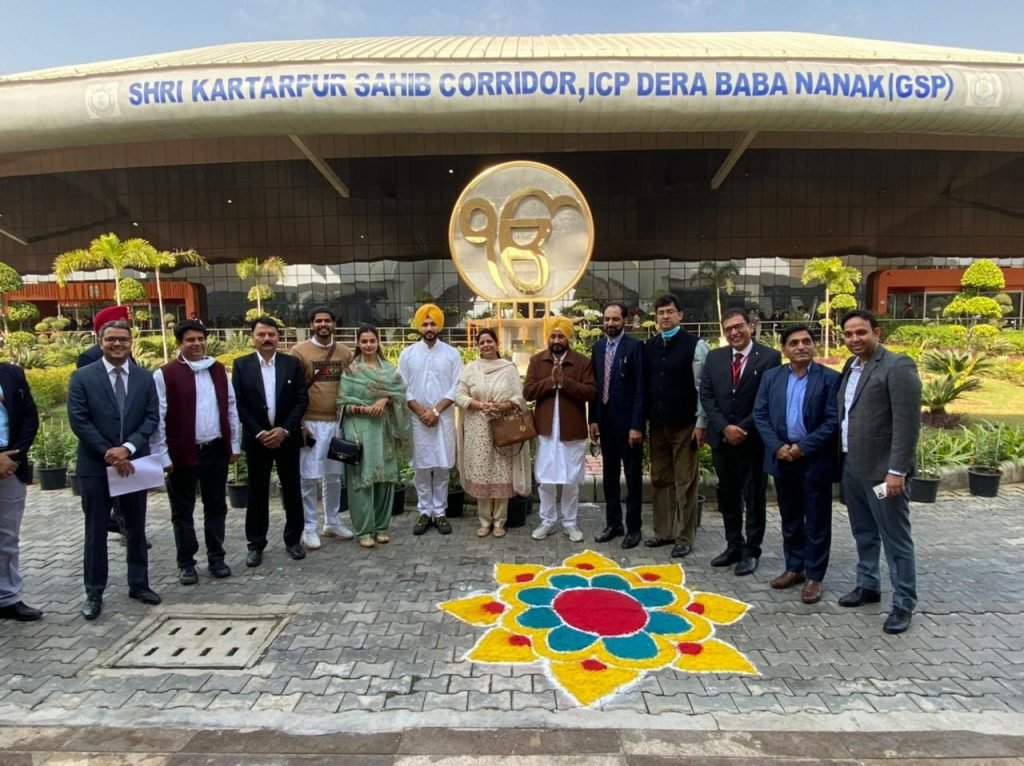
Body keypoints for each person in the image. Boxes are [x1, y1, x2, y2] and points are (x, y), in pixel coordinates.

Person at [67, 319, 160, 621]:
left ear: (131, 342)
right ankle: (94, 592)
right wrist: (109, 452)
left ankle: (139, 584)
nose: (118, 344)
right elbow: (79, 420)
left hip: (134, 463)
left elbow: (151, 418)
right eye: (111, 339)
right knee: (96, 531)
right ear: (100, 341)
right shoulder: (82, 377)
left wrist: (128, 449)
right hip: (96, 466)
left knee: (135, 527)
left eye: (123, 339)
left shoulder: (145, 377)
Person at [837, 309, 922, 635]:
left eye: (861, 332)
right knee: (864, 533)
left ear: (877, 332)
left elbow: (907, 423)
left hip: (883, 473)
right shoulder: (851, 366)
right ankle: (868, 584)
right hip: (853, 468)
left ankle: (903, 602)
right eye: (848, 334)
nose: (855, 339)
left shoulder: (897, 366)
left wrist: (897, 471)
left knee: (895, 538)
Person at [752, 324, 840, 604]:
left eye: (806, 341)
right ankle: (794, 568)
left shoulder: (829, 379)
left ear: (814, 346)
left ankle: (814, 576)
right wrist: (778, 447)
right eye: (794, 343)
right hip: (782, 458)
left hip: (813, 458)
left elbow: (832, 421)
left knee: (816, 520)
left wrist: (803, 447)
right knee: (790, 519)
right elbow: (760, 414)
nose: (801, 346)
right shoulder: (771, 377)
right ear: (784, 350)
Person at [151, 320, 240, 586]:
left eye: (200, 339)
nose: (197, 344)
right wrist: (162, 455)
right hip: (182, 452)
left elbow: (231, 407)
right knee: (182, 511)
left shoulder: (218, 371)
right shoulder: (165, 374)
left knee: (216, 506)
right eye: (190, 340)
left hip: (215, 449)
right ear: (180, 343)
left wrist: (233, 444)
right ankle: (186, 563)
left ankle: (216, 557)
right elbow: (158, 417)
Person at [700, 308, 781, 576]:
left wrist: (741, 428)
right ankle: (733, 545)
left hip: (752, 440)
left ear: (750, 325)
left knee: (753, 496)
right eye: (728, 329)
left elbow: (766, 399)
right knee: (729, 495)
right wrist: (724, 427)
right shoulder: (715, 358)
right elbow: (707, 395)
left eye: (738, 326)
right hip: (722, 439)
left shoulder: (769, 358)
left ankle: (751, 550)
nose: (734, 332)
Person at [231, 317, 309, 567]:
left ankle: (293, 540)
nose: (266, 339)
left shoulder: (291, 364)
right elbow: (238, 404)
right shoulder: (241, 366)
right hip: (258, 441)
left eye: (271, 335)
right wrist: (259, 432)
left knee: (293, 490)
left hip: (286, 439)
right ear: (252, 337)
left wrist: (284, 430)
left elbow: (301, 400)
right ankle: (255, 544)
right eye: (261, 334)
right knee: (257, 493)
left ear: (278, 337)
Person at [643, 293, 709, 559]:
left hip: (685, 425)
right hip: (657, 424)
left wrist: (701, 422)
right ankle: (663, 532)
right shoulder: (649, 346)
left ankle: (684, 536)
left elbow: (703, 387)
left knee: (685, 481)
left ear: (680, 315)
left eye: (670, 312)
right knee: (660, 479)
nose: (665, 316)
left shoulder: (696, 346)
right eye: (661, 313)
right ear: (656, 318)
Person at [338, 325, 412, 548]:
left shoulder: (389, 369)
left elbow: (399, 394)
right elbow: (342, 403)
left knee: (385, 479)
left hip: (384, 430)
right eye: (364, 341)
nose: (368, 345)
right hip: (359, 430)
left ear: (378, 342)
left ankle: (381, 527)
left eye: (372, 341)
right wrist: (366, 409)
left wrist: (385, 400)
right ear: (358, 344)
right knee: (362, 479)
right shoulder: (351, 371)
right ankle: (364, 530)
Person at [524, 317, 596, 543]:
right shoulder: (537, 361)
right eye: (553, 336)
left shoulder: (582, 362)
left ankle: (570, 522)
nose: (556, 340)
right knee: (545, 479)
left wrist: (564, 382)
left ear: (568, 338)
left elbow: (590, 392)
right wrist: (550, 381)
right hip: (546, 431)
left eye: (561, 336)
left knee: (570, 479)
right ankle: (547, 521)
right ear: (548, 338)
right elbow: (528, 392)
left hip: (571, 431)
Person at [455, 328, 531, 538]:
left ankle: (500, 521)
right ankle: (484, 520)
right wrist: (480, 405)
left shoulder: (508, 368)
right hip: (477, 428)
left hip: (503, 427)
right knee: (481, 471)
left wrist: (501, 406)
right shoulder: (471, 368)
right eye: (482, 342)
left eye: (489, 341)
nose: (486, 345)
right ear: (478, 346)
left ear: (497, 344)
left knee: (501, 471)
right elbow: (459, 396)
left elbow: (520, 398)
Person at [290, 307, 355, 549]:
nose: (323, 324)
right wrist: (299, 424)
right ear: (312, 324)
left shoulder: (345, 352)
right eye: (318, 321)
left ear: (334, 324)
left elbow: (355, 383)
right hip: (311, 424)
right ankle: (309, 527)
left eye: (327, 320)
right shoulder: (299, 352)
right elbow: (293, 391)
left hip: (337, 423)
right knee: (308, 478)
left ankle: (332, 521)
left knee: (333, 476)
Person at [398, 304, 462, 536]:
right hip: (417, 419)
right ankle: (425, 512)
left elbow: (457, 386)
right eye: (425, 324)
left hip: (442, 418)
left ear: (439, 325)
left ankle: (440, 512)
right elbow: (401, 387)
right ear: (419, 326)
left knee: (442, 467)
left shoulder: (452, 354)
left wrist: (435, 411)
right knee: (422, 468)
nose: (429, 327)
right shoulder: (408, 354)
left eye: (433, 323)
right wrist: (421, 411)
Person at [589, 303, 645, 549]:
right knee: (609, 476)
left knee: (632, 478)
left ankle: (634, 528)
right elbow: (595, 387)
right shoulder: (598, 347)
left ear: (624, 320)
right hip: (606, 423)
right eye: (607, 319)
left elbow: (641, 390)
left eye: (615, 319)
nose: (610, 323)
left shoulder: (635, 347)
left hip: (628, 426)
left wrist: (636, 425)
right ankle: (614, 524)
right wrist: (593, 419)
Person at [0, 363, 41, 621]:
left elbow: (30, 416)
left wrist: (14, 454)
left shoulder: (11, 373)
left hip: (10, 465)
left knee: (7, 537)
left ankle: (7, 597)